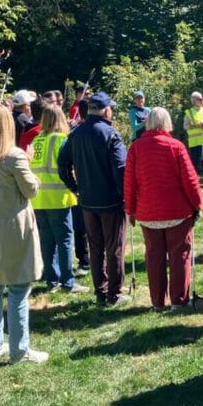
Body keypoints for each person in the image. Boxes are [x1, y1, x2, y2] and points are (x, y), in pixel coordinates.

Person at [0, 104, 47, 363]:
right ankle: (19, 350)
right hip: (13, 228)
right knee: (18, 289)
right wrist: (32, 169)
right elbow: (31, 190)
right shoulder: (13, 156)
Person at [124, 107, 203, 311]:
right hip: (177, 211)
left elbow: (130, 182)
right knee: (179, 256)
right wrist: (197, 205)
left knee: (154, 257)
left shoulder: (136, 148)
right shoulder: (176, 146)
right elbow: (190, 180)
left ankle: (158, 301)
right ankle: (178, 300)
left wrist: (130, 210)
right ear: (167, 123)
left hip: (148, 212)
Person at [58, 91, 129, 307]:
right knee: (114, 247)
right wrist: (124, 195)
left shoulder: (76, 134)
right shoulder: (110, 134)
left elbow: (62, 164)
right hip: (111, 201)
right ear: (106, 110)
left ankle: (101, 291)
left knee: (96, 247)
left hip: (87, 201)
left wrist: (75, 187)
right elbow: (121, 169)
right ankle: (114, 294)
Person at [29, 105, 87, 294]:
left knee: (47, 240)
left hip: (39, 198)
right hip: (58, 196)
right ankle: (67, 282)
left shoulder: (37, 140)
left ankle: (51, 280)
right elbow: (68, 167)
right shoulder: (61, 139)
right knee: (64, 240)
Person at [183, 92, 203, 185]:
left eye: (201, 98)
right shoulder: (189, 112)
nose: (201, 100)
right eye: (199, 99)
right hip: (194, 141)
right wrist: (196, 126)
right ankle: (194, 180)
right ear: (193, 100)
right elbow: (185, 126)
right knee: (195, 161)